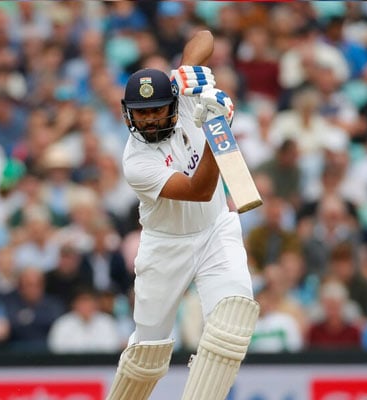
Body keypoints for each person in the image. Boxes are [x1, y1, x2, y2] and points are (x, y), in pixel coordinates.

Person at [106, 30, 259, 400]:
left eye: (157, 109)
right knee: (147, 353)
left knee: (232, 322)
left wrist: (186, 75)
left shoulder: (186, 97)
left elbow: (204, 37)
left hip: (215, 229)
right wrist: (217, 126)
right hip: (166, 246)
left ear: (172, 101)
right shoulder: (136, 161)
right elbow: (198, 190)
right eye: (141, 114)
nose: (150, 120)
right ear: (129, 116)